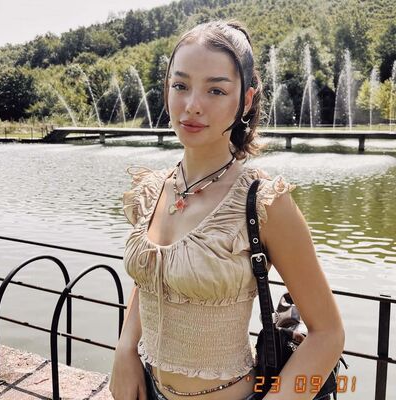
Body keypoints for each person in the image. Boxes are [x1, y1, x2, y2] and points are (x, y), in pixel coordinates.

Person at [109, 20, 345, 400]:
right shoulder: (152, 190)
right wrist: (125, 349)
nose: (192, 105)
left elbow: (328, 333)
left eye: (216, 90)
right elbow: (150, 277)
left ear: (246, 101)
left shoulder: (262, 202)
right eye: (180, 85)